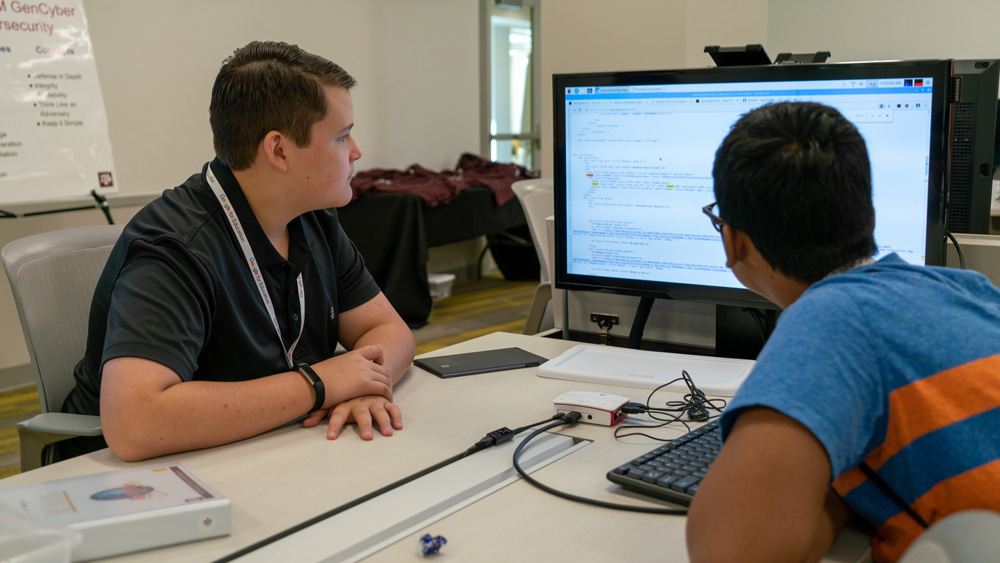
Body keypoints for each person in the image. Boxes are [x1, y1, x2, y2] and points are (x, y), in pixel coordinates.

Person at [60, 41, 415, 462]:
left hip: (266, 447)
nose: (357, 151)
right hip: (134, 481)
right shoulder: (175, 249)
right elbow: (135, 424)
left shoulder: (313, 219)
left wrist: (362, 387)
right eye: (341, 136)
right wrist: (317, 385)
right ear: (279, 150)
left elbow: (391, 332)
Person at [686, 102, 1000, 562]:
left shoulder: (828, 319)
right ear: (867, 216)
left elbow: (731, 551)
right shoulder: (969, 289)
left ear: (732, 242)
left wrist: (830, 491)